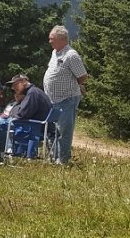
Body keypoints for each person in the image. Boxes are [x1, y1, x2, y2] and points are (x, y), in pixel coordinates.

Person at [43, 25, 88, 165]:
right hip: (53, 100)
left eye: (52, 39)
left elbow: (82, 76)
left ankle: (63, 160)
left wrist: (78, 85)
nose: (49, 41)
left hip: (67, 99)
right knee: (54, 130)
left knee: (64, 131)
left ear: (61, 39)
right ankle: (54, 156)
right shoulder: (55, 52)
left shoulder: (71, 55)